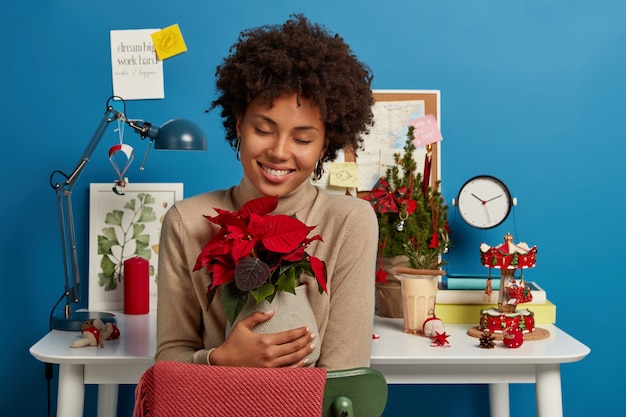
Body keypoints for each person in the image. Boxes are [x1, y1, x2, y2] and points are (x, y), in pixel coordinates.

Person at [155, 14, 378, 370]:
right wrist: (220, 359)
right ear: (240, 125)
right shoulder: (186, 221)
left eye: (302, 139)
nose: (279, 151)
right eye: (264, 129)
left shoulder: (350, 221)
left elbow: (345, 371)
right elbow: (170, 354)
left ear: (325, 146)